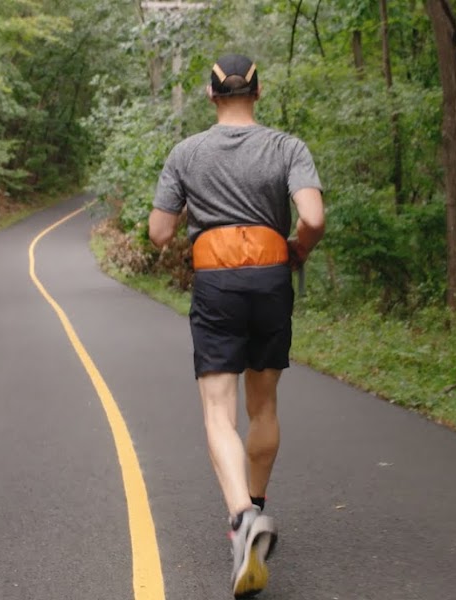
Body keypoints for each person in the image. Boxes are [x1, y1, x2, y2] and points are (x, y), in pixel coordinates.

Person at [148, 54, 325, 598]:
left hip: (218, 283)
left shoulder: (186, 152)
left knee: (218, 411)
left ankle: (242, 519)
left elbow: (159, 232)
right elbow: (313, 218)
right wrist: (296, 249)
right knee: (263, 405)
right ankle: (259, 504)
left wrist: (191, 232)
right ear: (258, 90)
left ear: (209, 95)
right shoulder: (287, 147)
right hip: (271, 277)